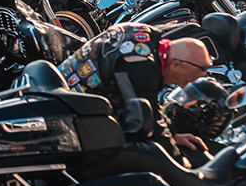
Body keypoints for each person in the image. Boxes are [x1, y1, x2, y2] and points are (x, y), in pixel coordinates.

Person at [57, 25, 212, 156]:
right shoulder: (141, 66)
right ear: (177, 64)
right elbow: (145, 117)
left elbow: (150, 109)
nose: (182, 86)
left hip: (62, 87)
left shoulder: (147, 34)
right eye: (185, 81)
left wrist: (173, 133)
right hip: (70, 119)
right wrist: (178, 161)